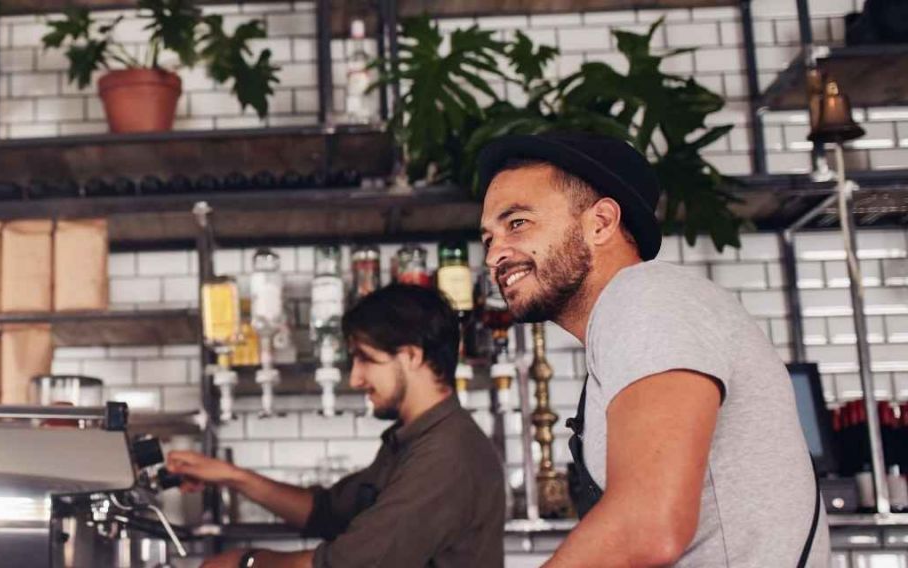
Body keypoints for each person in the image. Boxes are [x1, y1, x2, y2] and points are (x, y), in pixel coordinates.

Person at [475, 131, 827, 566]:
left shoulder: (647, 297)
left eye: (517, 223)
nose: (494, 256)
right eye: (488, 239)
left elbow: (647, 526)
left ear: (601, 222)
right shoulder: (629, 318)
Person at [168, 285, 504, 568]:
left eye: (366, 359)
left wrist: (247, 562)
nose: (356, 379)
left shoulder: (447, 455)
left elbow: (349, 564)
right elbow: (324, 512)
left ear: (412, 356)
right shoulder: (413, 440)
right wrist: (231, 476)